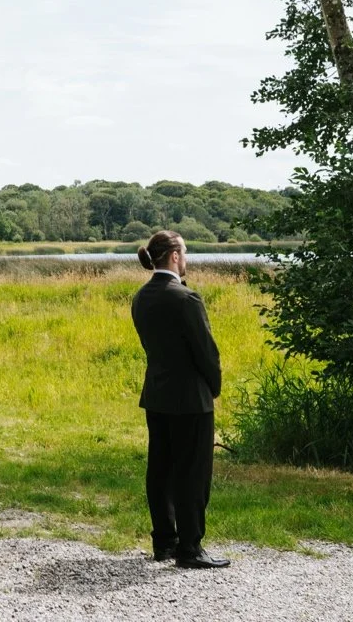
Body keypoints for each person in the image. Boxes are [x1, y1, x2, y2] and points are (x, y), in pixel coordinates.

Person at [130, 230, 229, 569]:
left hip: (156, 396)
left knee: (160, 470)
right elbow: (206, 353)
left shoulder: (141, 297)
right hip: (190, 401)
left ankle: (165, 542)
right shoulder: (186, 299)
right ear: (174, 256)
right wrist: (213, 388)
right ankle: (190, 548)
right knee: (193, 474)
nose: (186, 259)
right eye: (184, 252)